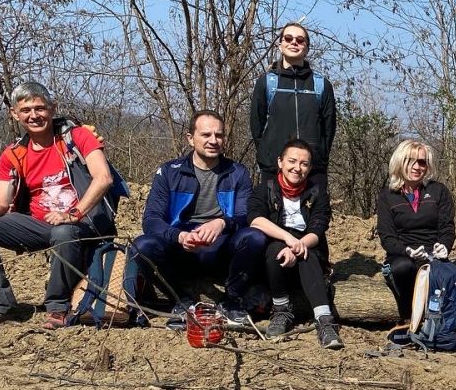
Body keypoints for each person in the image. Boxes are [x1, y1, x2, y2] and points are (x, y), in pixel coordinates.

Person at [0, 81, 117, 330]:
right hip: (40, 225)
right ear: (14, 114)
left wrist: (73, 214)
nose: (34, 115)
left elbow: (103, 177)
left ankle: (58, 306)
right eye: (26, 110)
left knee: (63, 232)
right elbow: (0, 202)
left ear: (52, 108)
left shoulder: (76, 137)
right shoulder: (13, 153)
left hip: (84, 221)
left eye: (40, 108)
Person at [124, 111, 264, 323]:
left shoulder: (238, 172)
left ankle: (232, 300)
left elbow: (246, 216)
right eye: (206, 135)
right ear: (190, 138)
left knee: (255, 237)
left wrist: (222, 222)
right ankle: (181, 301)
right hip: (182, 248)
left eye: (219, 135)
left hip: (221, 246)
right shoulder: (170, 172)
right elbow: (152, 219)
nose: (213, 141)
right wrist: (178, 236)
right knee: (142, 246)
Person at [247, 139, 342, 349]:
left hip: (309, 250)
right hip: (274, 257)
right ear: (280, 162)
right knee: (274, 251)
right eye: (292, 161)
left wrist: (298, 246)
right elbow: (255, 219)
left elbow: (318, 228)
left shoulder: (318, 192)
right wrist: (288, 240)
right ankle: (281, 310)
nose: (297, 168)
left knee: (305, 255)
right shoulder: (265, 189)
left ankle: (324, 320)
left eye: (304, 164)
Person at [375, 139, 456, 320]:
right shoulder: (388, 196)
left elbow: (447, 227)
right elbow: (387, 237)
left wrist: (444, 246)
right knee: (404, 267)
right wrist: (407, 251)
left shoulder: (438, 191)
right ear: (399, 162)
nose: (417, 166)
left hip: (433, 254)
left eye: (422, 162)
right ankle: (408, 318)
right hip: (402, 256)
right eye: (410, 160)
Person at [250, 22, 337, 183]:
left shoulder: (321, 85)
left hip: (312, 172)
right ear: (280, 45)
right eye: (288, 38)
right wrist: (266, 157)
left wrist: (320, 158)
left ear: (307, 47)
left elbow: (329, 129)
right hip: (274, 170)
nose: (294, 43)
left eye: (300, 40)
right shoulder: (267, 82)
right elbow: (257, 125)